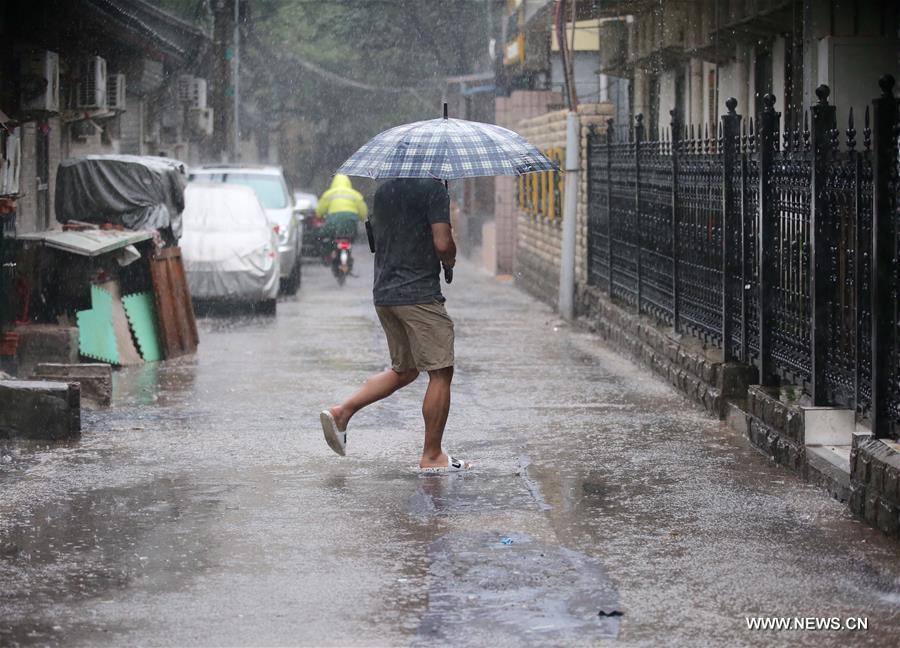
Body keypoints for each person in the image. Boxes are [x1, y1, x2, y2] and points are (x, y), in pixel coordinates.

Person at [320, 178, 468, 471]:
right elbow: (442, 243)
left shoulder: (385, 191)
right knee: (441, 371)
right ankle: (433, 455)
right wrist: (449, 257)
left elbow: (379, 238)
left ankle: (342, 412)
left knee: (405, 370)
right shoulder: (434, 189)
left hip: (386, 293)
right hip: (419, 295)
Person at [315, 174, 367, 255]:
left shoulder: (328, 194)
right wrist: (361, 218)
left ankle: (328, 254)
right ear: (348, 183)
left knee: (323, 236)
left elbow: (319, 212)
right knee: (351, 237)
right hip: (351, 222)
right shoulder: (355, 195)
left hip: (333, 222)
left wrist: (320, 217)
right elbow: (363, 213)